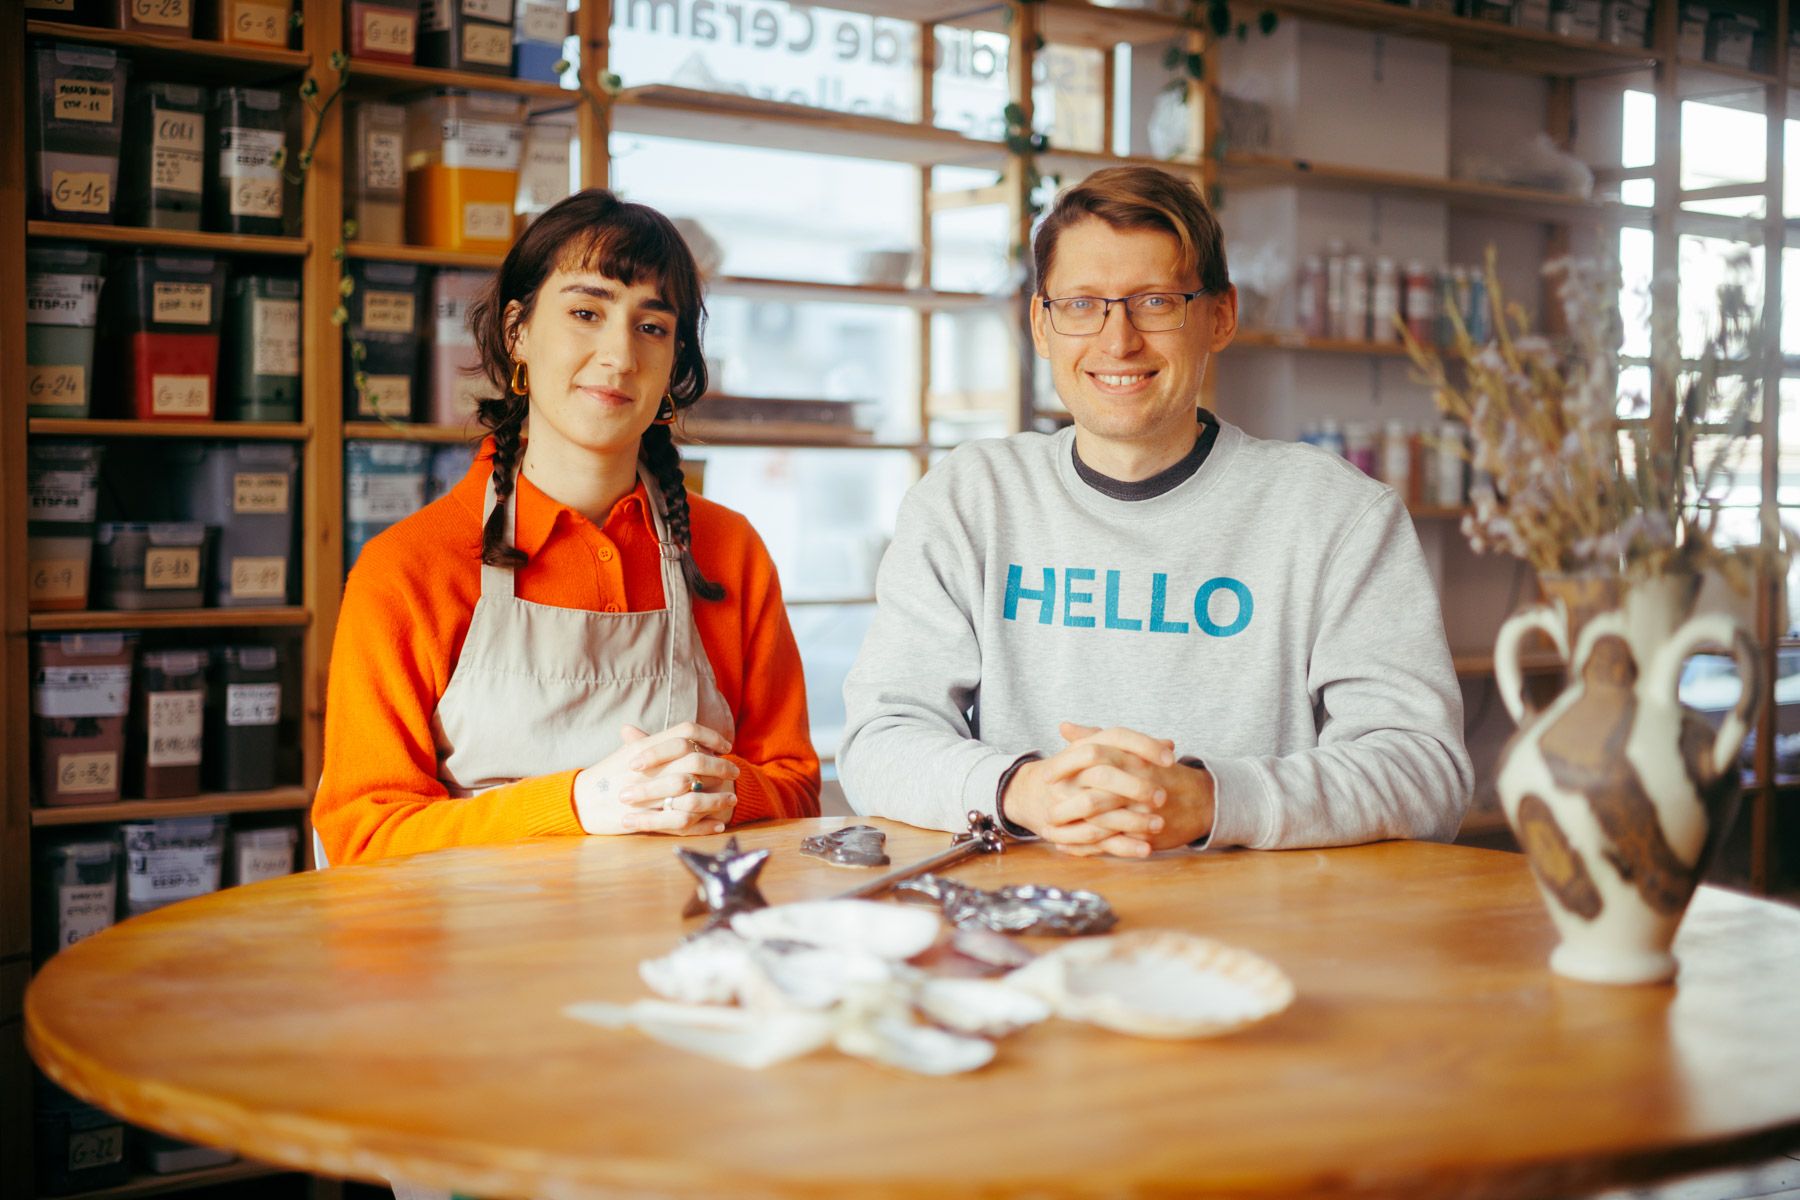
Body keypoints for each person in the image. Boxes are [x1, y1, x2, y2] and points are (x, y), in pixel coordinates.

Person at [839, 166, 1471, 857]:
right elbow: (878, 739)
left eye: (1156, 301)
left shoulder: (1338, 516)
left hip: (1263, 938)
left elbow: (1425, 770)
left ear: (1220, 315)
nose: (1118, 341)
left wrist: (1212, 800)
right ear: (1041, 325)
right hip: (1017, 926)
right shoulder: (968, 498)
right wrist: (1026, 792)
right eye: (1082, 304)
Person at [314, 189, 820, 865]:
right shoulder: (407, 568)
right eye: (587, 312)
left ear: (674, 364)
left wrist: (724, 791)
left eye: (652, 327)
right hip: (480, 962)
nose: (619, 356)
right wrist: (577, 803)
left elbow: (796, 790)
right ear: (516, 331)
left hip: (682, 952)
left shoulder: (730, 552)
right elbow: (362, 837)